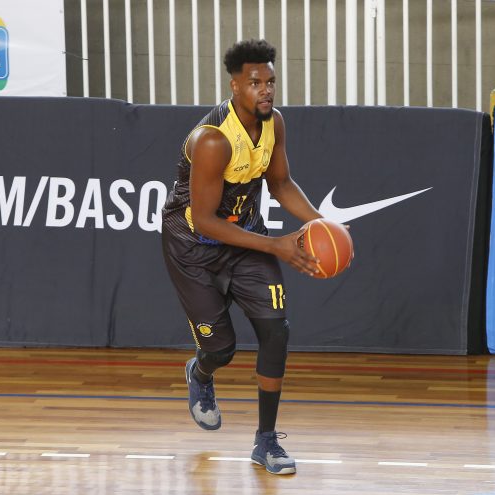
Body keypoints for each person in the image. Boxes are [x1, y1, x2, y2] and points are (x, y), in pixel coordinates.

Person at [161, 39, 322, 475]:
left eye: (270, 82)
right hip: (194, 247)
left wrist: (323, 224)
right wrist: (277, 245)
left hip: (245, 238)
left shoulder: (274, 123)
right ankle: (201, 372)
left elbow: (281, 184)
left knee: (276, 331)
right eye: (255, 83)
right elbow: (205, 221)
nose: (266, 90)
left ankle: (266, 442)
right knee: (222, 348)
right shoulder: (213, 140)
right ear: (235, 86)